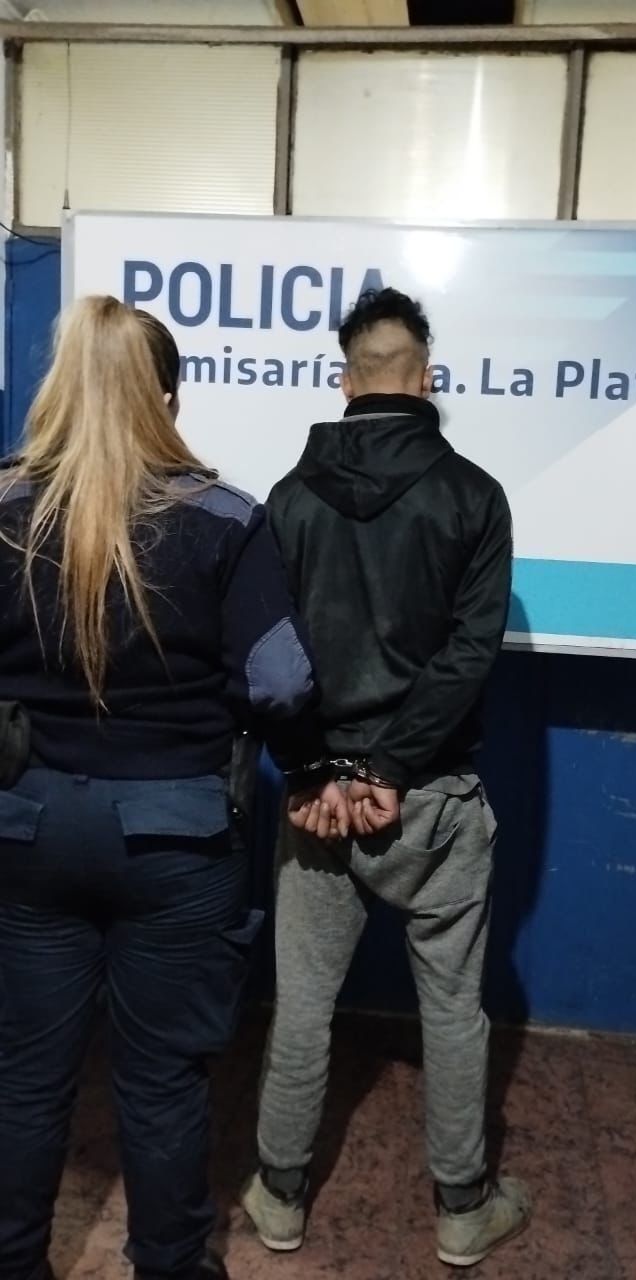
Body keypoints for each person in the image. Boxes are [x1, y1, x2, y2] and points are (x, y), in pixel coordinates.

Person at [0, 296, 330, 1280]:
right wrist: (307, 761)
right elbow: (279, 681)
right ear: (168, 399)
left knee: (23, 1077)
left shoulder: (5, 507)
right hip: (176, 836)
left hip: (25, 826)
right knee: (163, 1083)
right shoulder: (226, 518)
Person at [242, 287, 531, 1269]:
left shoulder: (287, 499)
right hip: (431, 796)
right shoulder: (475, 496)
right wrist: (394, 768)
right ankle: (461, 1209)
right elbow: (468, 655)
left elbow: (272, 661)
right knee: (452, 1008)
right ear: (427, 378)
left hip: (319, 805)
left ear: (345, 380)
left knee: (302, 1004)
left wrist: (318, 771)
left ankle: (281, 1197)